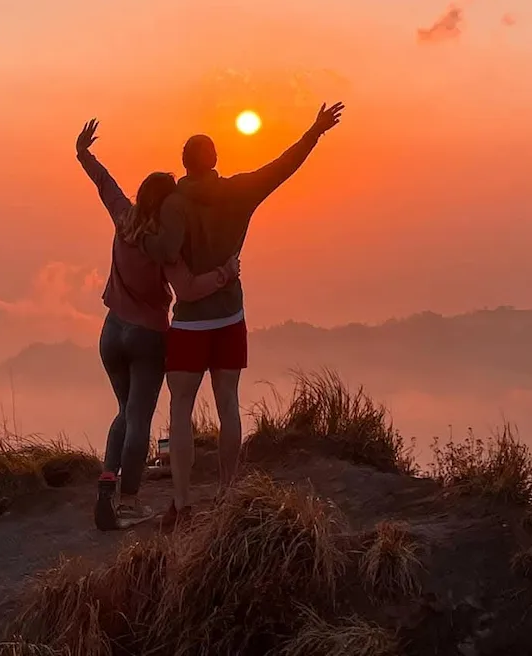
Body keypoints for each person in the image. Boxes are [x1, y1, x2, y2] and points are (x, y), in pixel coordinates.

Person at [143, 101, 345, 530]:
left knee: (180, 409)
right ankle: (226, 492)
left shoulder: (175, 204)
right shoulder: (239, 192)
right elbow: (282, 166)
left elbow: (165, 251)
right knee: (228, 405)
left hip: (191, 321)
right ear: (215, 161)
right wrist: (314, 131)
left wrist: (146, 238)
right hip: (230, 316)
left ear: (184, 164)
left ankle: (181, 504)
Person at [75, 118, 239, 531]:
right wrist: (225, 274)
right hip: (147, 336)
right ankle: (128, 504)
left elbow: (105, 185)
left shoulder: (124, 218)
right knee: (140, 418)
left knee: (122, 412)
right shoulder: (164, 245)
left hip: (111, 332)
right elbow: (187, 289)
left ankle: (107, 484)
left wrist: (84, 153)